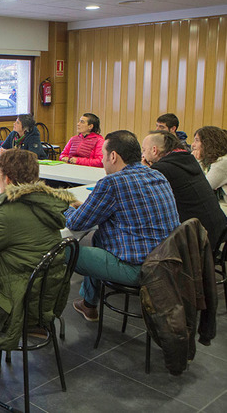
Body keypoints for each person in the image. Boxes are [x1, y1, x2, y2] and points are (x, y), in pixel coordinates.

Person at [0, 149, 76, 357]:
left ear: (7, 179)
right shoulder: (44, 204)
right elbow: (20, 235)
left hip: (18, 301)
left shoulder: (9, 212)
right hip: (42, 293)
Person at [66, 130, 180, 321]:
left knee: (64, 250)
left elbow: (75, 223)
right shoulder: (157, 175)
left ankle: (43, 318)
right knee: (98, 238)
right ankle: (88, 304)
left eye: (103, 155)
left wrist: (67, 208)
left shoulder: (112, 183)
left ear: (113, 156)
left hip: (138, 269)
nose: (102, 161)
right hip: (166, 264)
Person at [142, 131, 226, 247]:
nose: (143, 154)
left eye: (144, 150)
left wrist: (146, 171)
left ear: (154, 150)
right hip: (217, 231)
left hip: (199, 239)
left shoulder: (161, 169)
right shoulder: (186, 159)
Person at [192, 126, 227, 216]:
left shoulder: (223, 161)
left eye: (196, 140)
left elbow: (203, 188)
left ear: (208, 143)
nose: (193, 145)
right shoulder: (212, 160)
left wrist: (197, 161)